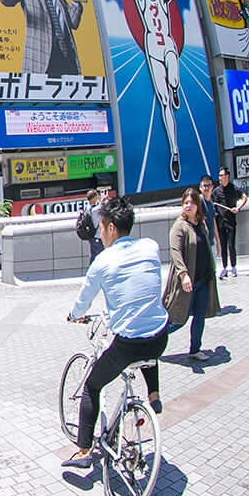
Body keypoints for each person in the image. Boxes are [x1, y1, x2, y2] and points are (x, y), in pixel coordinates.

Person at [63, 196, 168, 468]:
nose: (101, 234)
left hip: (128, 344)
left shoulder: (103, 260)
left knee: (92, 386)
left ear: (110, 228)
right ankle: (153, 393)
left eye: (102, 228)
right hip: (160, 338)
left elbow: (84, 300)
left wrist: (74, 316)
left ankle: (84, 451)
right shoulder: (150, 247)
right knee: (148, 333)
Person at [85, 0, 185, 181]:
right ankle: (174, 151)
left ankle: (175, 86)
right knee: (165, 104)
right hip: (152, 45)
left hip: (168, 44)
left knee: (173, 79)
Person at [163, 188, 221, 363]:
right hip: (187, 281)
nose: (188, 205)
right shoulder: (179, 226)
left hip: (203, 279)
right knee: (178, 319)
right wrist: (183, 274)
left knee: (200, 316)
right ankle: (149, 342)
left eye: (191, 202)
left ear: (198, 205)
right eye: (185, 202)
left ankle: (195, 349)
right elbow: (176, 252)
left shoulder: (201, 224)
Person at [212, 167, 248, 278]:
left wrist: (238, 208)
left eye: (222, 176)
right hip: (221, 222)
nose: (220, 178)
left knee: (231, 245)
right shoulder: (216, 191)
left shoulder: (234, 189)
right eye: (219, 176)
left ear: (227, 176)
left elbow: (244, 197)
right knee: (223, 246)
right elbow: (210, 201)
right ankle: (224, 268)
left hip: (231, 222)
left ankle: (233, 266)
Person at [83, 189, 103, 265]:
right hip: (97, 236)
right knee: (102, 255)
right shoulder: (95, 209)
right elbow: (103, 207)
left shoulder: (88, 208)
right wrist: (104, 199)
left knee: (93, 256)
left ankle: (90, 271)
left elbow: (99, 207)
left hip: (91, 235)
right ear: (94, 197)